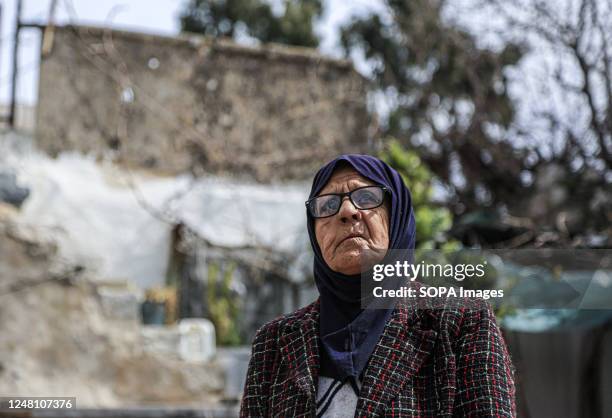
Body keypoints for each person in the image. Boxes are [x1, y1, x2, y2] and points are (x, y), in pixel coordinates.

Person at [240, 154, 516, 417]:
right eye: (327, 205)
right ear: (314, 231)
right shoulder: (274, 342)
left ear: (396, 216)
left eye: (366, 197)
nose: (347, 212)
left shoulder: (461, 322)